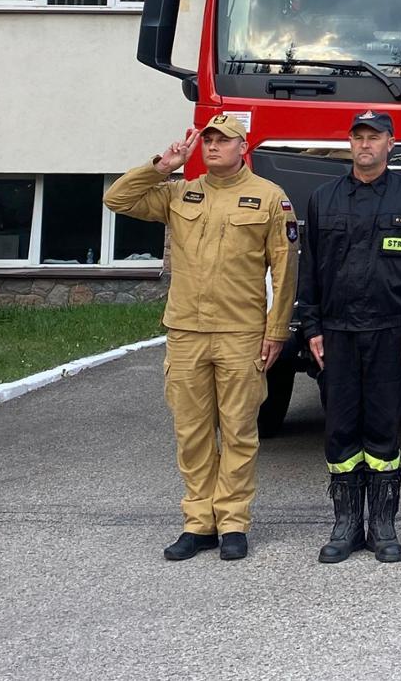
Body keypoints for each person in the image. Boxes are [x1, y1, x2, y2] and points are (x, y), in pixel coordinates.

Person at [103, 114, 296, 562]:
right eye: (207, 140)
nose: (212, 147)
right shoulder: (179, 193)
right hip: (187, 332)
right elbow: (117, 199)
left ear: (242, 147)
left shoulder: (269, 198)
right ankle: (198, 523)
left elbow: (285, 270)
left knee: (238, 432)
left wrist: (277, 330)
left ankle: (233, 522)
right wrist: (163, 165)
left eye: (222, 141)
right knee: (191, 432)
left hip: (241, 333)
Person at [296, 110, 401, 564]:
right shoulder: (324, 198)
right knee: (339, 427)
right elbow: (309, 268)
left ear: (390, 143)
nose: (365, 145)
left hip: (389, 330)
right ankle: (344, 526)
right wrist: (312, 326)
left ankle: (382, 526)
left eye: (373, 138)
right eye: (358, 137)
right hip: (336, 331)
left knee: (382, 427)